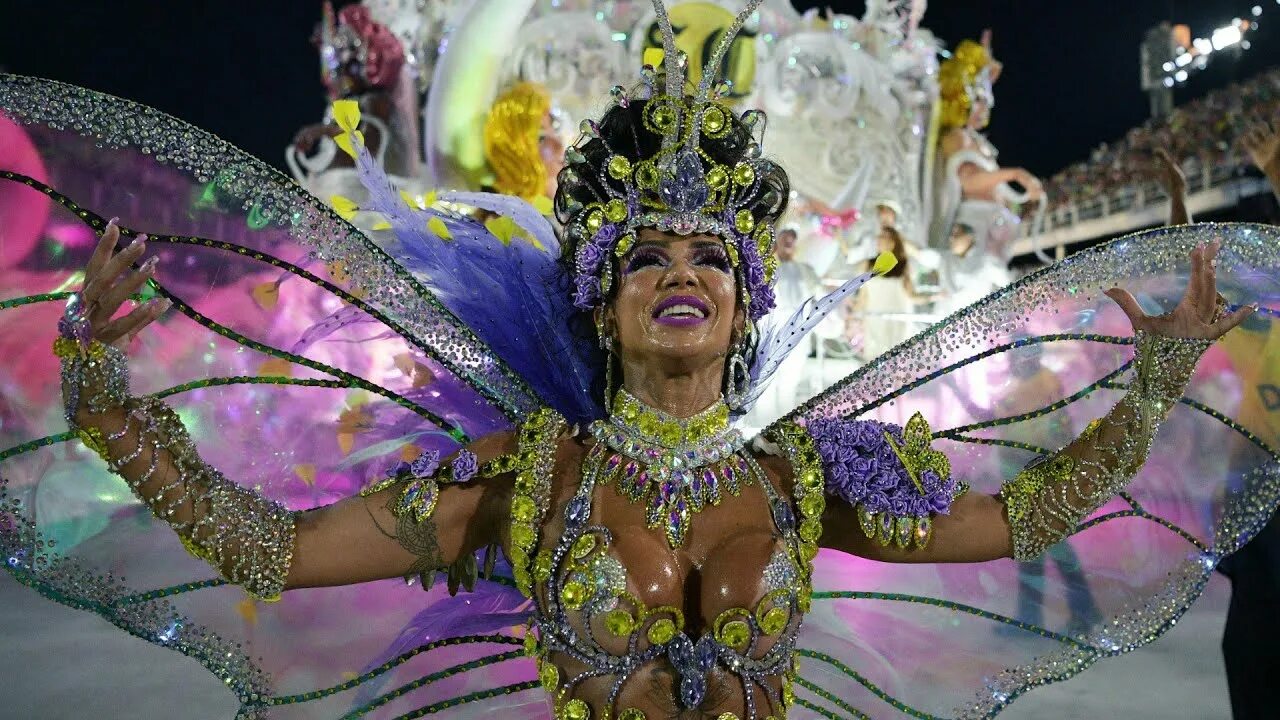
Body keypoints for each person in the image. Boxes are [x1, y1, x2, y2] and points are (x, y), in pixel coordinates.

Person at [0, 2, 1277, 717]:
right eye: (648, 257)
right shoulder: (527, 477)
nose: (682, 273)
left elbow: (1023, 517)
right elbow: (266, 551)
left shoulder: (802, 474)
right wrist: (106, 404)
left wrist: (1154, 378)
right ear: (601, 305)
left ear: (743, 302)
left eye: (711, 259)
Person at [850, 226, 924, 361]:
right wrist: (852, 313)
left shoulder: (904, 266)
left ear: (893, 242)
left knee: (897, 361)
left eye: (883, 236)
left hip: (898, 320)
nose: (878, 239)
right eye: (879, 236)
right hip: (874, 320)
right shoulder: (868, 265)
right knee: (873, 363)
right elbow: (863, 297)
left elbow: (911, 295)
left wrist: (933, 297)